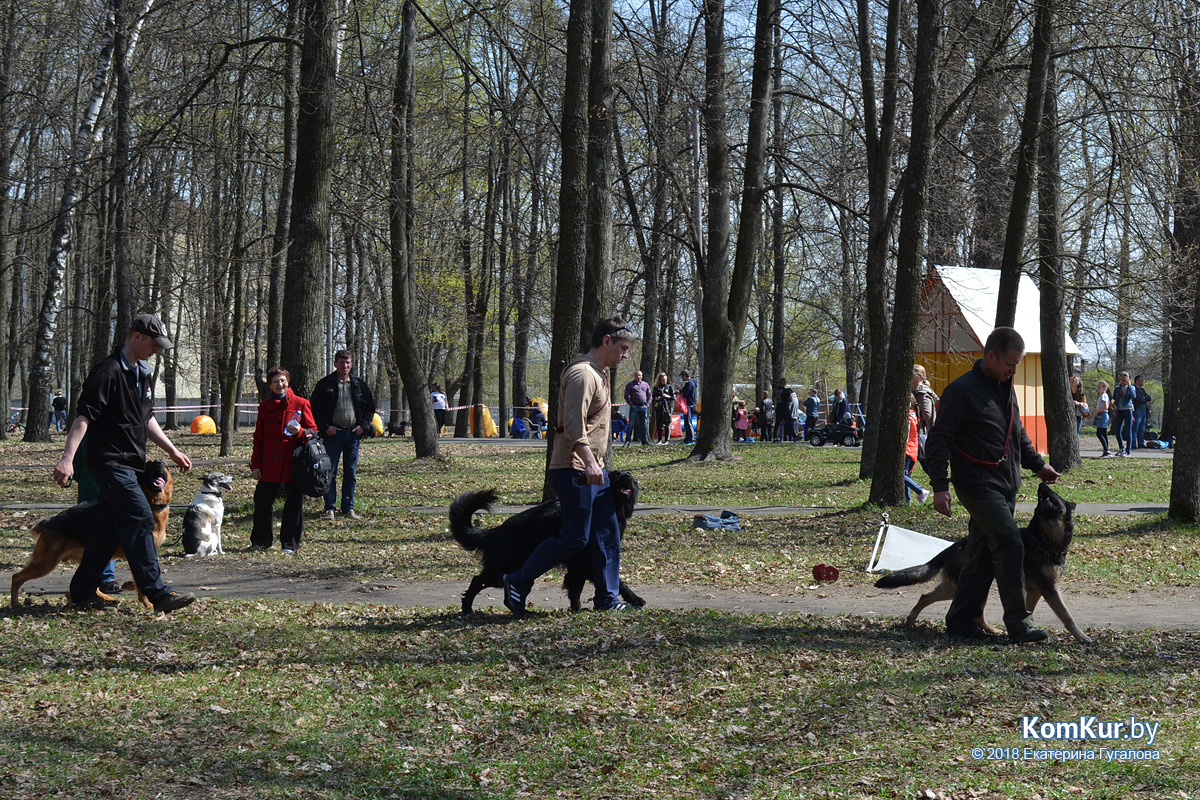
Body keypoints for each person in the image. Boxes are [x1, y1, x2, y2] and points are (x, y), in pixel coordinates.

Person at [925, 327, 1061, 643]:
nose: (1013, 370)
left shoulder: (1006, 387)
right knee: (1011, 543)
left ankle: (960, 620)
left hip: (1006, 485)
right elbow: (939, 440)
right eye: (1010, 364)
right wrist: (939, 486)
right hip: (976, 485)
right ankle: (1019, 623)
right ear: (990, 356)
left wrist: (1039, 466)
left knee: (980, 554)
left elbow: (1018, 434)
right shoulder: (961, 392)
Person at [52, 313, 195, 613]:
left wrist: (172, 450)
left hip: (132, 464)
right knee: (141, 517)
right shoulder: (107, 372)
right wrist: (67, 459)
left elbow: (147, 419)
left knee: (108, 531)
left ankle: (81, 593)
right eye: (154, 343)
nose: (156, 349)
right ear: (136, 336)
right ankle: (158, 595)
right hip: (108, 463)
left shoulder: (142, 373)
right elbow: (83, 417)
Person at [502, 317, 635, 617]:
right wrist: (588, 462)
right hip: (575, 469)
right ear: (606, 342)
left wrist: (598, 465)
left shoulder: (600, 375)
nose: (625, 355)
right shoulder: (581, 375)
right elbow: (574, 424)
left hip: (594, 470)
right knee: (576, 537)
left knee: (607, 533)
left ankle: (608, 599)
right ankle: (518, 581)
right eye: (623, 348)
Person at [250, 367, 317, 553]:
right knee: (262, 502)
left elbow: (313, 431)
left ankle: (290, 544)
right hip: (269, 464)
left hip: (293, 463)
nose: (280, 385)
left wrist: (301, 432)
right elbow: (259, 438)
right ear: (270, 385)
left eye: (283, 381)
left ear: (288, 381)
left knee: (294, 505)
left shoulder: (301, 403)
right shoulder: (264, 407)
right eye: (275, 382)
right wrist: (256, 465)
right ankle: (262, 541)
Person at [311, 350, 376, 521]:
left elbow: (370, 408)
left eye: (348, 363)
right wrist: (326, 428)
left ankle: (348, 508)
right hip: (333, 435)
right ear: (335, 364)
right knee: (329, 472)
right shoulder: (325, 384)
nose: (345, 366)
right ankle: (329, 508)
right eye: (341, 362)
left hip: (353, 435)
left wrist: (364, 426)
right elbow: (314, 410)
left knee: (351, 472)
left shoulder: (359, 385)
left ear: (351, 364)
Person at [903, 400, 930, 503]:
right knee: (907, 476)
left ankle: (920, 490)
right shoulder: (914, 414)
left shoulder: (908, 417)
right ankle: (907, 501)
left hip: (908, 449)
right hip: (913, 448)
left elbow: (906, 435)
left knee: (902, 475)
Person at [912, 365, 938, 468]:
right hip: (919, 434)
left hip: (923, 434)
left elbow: (926, 415)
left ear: (919, 375)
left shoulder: (922, 393)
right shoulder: (916, 391)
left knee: (927, 465)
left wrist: (912, 414)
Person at [623, 370, 651, 446]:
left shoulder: (645, 384)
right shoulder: (630, 385)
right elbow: (626, 396)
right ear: (634, 376)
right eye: (636, 375)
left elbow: (649, 395)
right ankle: (628, 441)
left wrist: (647, 404)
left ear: (642, 376)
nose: (638, 377)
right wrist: (631, 404)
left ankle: (644, 441)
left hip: (643, 406)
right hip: (634, 406)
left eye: (639, 375)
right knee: (631, 424)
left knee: (644, 424)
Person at [1111, 371, 1135, 457]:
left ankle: (1128, 451)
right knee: (1117, 430)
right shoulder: (1118, 388)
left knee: (1128, 431)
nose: (1123, 380)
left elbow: (1133, 396)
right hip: (1119, 410)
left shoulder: (1131, 388)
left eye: (1125, 378)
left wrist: (1129, 386)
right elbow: (1114, 398)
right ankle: (1121, 448)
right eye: (1121, 379)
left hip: (1127, 410)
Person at [652, 373, 675, 444]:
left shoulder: (669, 387)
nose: (664, 381)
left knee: (667, 423)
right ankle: (659, 440)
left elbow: (673, 397)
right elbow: (652, 397)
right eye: (662, 379)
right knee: (659, 423)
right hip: (659, 406)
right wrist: (656, 398)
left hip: (667, 407)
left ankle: (667, 440)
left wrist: (666, 396)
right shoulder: (656, 387)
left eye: (665, 379)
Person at [1133, 375, 1152, 449]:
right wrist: (1144, 398)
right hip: (1138, 410)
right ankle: (1133, 444)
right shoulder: (1134, 389)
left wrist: (1144, 398)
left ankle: (1141, 444)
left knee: (1142, 429)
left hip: (1144, 411)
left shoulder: (1142, 390)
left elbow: (1148, 398)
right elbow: (1139, 399)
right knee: (1135, 428)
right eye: (1141, 380)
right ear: (1137, 381)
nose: (1142, 382)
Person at [679, 370, 698, 444]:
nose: (682, 378)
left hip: (689, 405)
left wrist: (680, 390)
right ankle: (687, 438)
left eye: (682, 376)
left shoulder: (689, 383)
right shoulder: (693, 382)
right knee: (686, 422)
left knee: (688, 422)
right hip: (691, 404)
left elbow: (685, 393)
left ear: (685, 375)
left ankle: (691, 439)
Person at [1094, 380, 1112, 457]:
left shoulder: (1104, 396)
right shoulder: (1102, 396)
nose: (1098, 388)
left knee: (1099, 433)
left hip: (1103, 415)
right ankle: (1106, 450)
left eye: (1099, 387)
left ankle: (1106, 450)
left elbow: (1105, 407)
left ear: (1105, 388)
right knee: (1104, 434)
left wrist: (1098, 411)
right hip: (1102, 415)